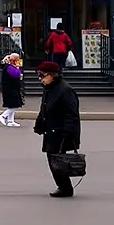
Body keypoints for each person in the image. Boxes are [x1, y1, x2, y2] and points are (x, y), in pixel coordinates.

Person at [34, 60, 82, 197]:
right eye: (39, 75)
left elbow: (71, 114)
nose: (40, 78)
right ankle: (63, 187)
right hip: (51, 131)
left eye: (42, 75)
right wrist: (39, 124)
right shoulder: (49, 89)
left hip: (60, 132)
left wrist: (68, 132)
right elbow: (44, 109)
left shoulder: (65, 90)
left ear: (53, 75)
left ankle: (65, 188)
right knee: (53, 159)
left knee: (57, 160)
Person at [0, 53, 25, 127]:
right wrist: (18, 68)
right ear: (14, 60)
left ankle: (10, 121)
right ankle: (3, 116)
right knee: (15, 104)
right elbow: (17, 75)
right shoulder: (9, 68)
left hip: (11, 89)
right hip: (10, 89)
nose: (19, 61)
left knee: (11, 105)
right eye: (18, 59)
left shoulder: (9, 67)